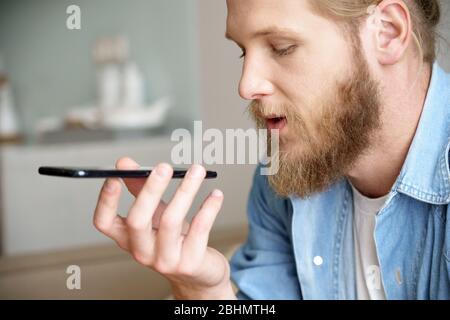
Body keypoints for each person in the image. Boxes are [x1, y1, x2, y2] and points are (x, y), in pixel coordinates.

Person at [92, 0, 450, 299]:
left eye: (282, 47)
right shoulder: (284, 177)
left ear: (387, 32)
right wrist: (203, 290)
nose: (246, 85)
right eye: (242, 51)